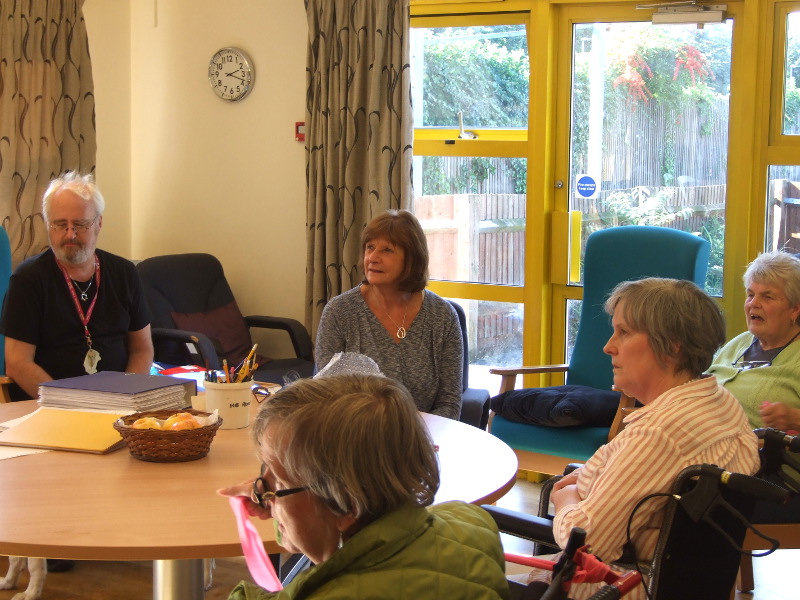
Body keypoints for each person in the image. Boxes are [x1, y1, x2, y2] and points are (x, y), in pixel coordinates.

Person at [522, 278, 759, 600]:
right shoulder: (719, 401)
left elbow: (589, 543)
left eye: (624, 332)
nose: (609, 346)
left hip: (621, 585)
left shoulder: (660, 432)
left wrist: (565, 500)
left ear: (672, 345)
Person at [217, 373, 509, 600]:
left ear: (346, 505)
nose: (267, 493)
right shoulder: (473, 522)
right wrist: (276, 497)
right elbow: (310, 526)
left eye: (278, 482)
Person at [0, 171, 154, 399]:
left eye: (80, 224)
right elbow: (18, 362)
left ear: (99, 223)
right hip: (51, 407)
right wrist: (68, 403)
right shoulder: (28, 279)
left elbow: (142, 349)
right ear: (48, 225)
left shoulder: (124, 273)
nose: (70, 234)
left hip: (119, 403)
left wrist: (126, 398)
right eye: (60, 224)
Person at [314, 210, 463, 419]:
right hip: (355, 435)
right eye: (370, 248)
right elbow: (324, 394)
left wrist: (416, 437)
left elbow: (450, 402)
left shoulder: (442, 316)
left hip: (426, 437)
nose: (373, 258)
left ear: (411, 259)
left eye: (387, 250)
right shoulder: (339, 312)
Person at [708, 250, 800, 432]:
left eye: (767, 296)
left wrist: (795, 419)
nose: (753, 304)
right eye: (750, 295)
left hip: (755, 455)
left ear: (794, 310)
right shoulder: (739, 342)